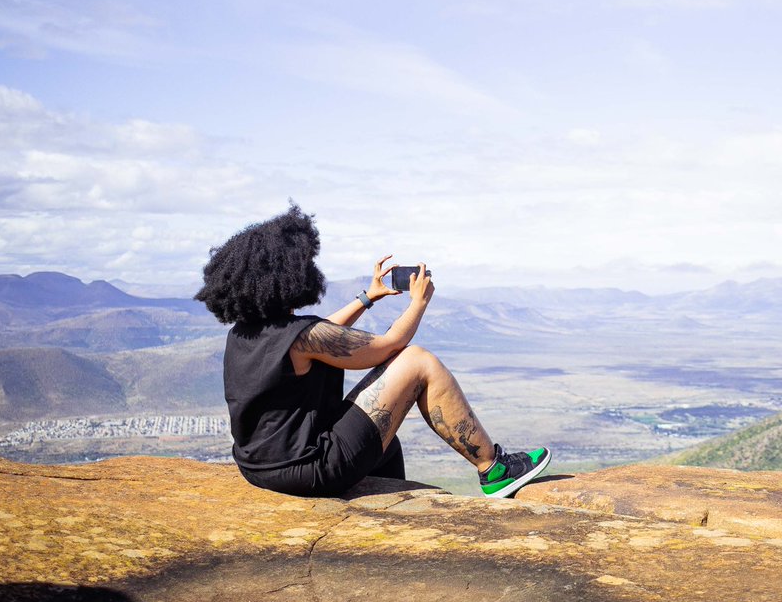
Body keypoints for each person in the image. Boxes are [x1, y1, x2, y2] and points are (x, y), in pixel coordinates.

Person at [195, 204, 551, 498]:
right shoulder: (303, 336)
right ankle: (494, 467)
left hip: (258, 468)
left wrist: (368, 297)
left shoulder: (245, 334)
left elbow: (322, 334)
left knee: (385, 442)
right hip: (306, 469)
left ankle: (392, 499)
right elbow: (388, 347)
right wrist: (419, 302)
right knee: (417, 361)